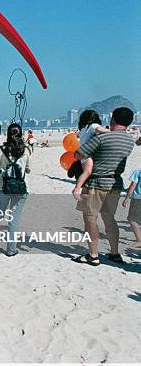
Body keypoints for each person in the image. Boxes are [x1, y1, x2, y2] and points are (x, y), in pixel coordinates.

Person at [72, 107, 136, 266]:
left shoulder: (102, 139)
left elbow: (79, 154)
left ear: (113, 119)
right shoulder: (129, 141)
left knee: (90, 220)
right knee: (109, 219)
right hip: (115, 184)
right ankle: (115, 253)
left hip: (96, 182)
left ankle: (93, 255)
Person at [0, 123, 31, 257]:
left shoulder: (2, 149)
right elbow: (28, 169)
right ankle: (11, 249)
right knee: (14, 220)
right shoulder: (26, 150)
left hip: (3, 187)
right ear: (21, 134)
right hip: (20, 188)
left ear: (8, 134)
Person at [71, 110, 109, 199]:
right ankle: (76, 189)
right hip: (87, 154)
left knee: (86, 171)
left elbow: (77, 135)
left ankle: (78, 188)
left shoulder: (84, 128)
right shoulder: (93, 126)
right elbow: (101, 130)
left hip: (83, 152)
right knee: (87, 171)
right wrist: (110, 131)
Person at [122, 168, 141, 249]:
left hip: (138, 198)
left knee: (132, 219)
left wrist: (127, 198)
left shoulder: (138, 172)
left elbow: (133, 184)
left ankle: (139, 240)